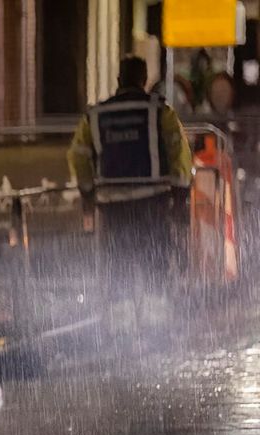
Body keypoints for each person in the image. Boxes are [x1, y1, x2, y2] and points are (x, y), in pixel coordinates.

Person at [68, 55, 193, 276]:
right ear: (144, 79)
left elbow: (78, 156)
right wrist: (181, 195)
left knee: (117, 265)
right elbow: (179, 153)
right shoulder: (161, 111)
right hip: (152, 202)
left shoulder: (95, 115)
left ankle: (118, 305)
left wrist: (87, 192)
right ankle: (157, 301)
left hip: (113, 205)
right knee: (155, 263)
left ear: (119, 79)